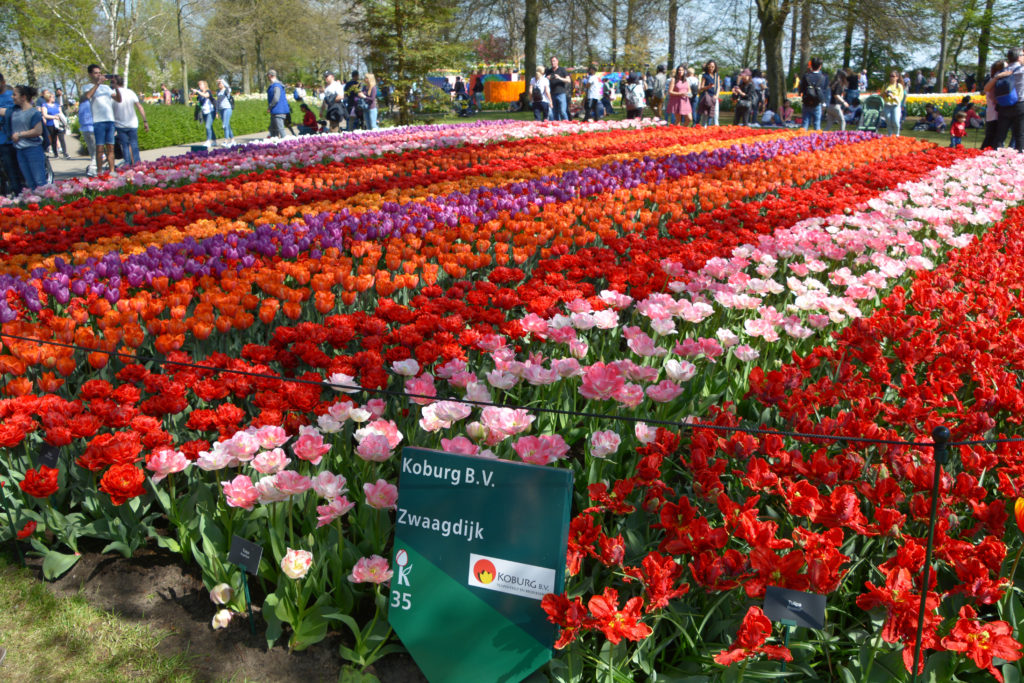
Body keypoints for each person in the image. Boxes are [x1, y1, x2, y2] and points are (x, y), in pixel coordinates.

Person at [81, 64, 121, 175]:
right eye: (96, 73)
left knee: (111, 147)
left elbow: (118, 99)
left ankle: (112, 170)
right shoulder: (87, 87)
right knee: (99, 148)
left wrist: (117, 87)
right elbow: (88, 96)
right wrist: (98, 84)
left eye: (100, 72)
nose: (98, 74)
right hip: (98, 121)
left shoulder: (106, 88)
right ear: (90, 74)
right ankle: (99, 171)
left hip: (110, 120)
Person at [5, 85, 47, 190]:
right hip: (20, 150)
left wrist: (19, 134)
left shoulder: (33, 113)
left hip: (33, 150)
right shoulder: (14, 112)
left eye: (14, 95)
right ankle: (35, 205)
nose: (12, 97)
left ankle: (47, 204)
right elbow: (3, 112)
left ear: (23, 97)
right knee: (30, 182)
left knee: (40, 182)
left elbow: (38, 131)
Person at [989, 48, 1024, 152]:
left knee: (1000, 134)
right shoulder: (1022, 70)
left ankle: (996, 156)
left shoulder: (1001, 72)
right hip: (1020, 104)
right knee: (1020, 134)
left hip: (1003, 104)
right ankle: (1020, 159)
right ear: (1019, 57)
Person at [112, 76, 147, 166]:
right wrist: (145, 121)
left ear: (114, 83)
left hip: (120, 124)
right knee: (134, 144)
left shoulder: (112, 94)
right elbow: (139, 106)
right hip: (132, 123)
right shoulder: (130, 92)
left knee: (125, 145)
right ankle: (137, 164)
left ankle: (127, 164)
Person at [0, 73, 24, 195]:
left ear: (3, 82)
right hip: (2, 141)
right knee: (9, 170)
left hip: (17, 138)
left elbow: (20, 112)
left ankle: (27, 195)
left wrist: (5, 112)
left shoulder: (12, 96)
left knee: (21, 169)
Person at [981, 60, 1007, 149]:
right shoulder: (995, 81)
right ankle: (984, 151)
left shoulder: (992, 80)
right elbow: (993, 97)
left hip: (992, 111)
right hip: (995, 111)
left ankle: (986, 151)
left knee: (991, 134)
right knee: (992, 135)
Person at [798, 58, 828, 131]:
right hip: (817, 101)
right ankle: (816, 139)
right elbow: (824, 90)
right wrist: (824, 102)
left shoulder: (806, 76)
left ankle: (802, 138)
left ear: (811, 65)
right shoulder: (823, 77)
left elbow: (801, 88)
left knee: (805, 122)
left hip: (806, 101)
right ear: (820, 66)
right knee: (817, 123)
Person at [41, 90, 69, 158]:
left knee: (62, 138)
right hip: (50, 124)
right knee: (53, 139)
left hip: (59, 124)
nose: (54, 98)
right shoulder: (45, 105)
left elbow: (61, 113)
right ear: (49, 98)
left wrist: (64, 120)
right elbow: (45, 115)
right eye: (52, 97)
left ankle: (65, 153)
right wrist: (54, 117)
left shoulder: (57, 105)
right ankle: (55, 153)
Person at [192, 80, 217, 148]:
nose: (199, 86)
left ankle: (208, 141)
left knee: (207, 126)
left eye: (201, 85)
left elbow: (206, 96)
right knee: (210, 127)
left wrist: (198, 92)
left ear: (205, 85)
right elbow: (199, 102)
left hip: (211, 112)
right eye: (199, 85)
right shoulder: (200, 94)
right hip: (204, 112)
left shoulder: (208, 91)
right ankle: (214, 141)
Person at [77, 95, 97, 176]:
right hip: (92, 127)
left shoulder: (81, 105)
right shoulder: (91, 103)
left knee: (91, 150)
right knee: (96, 149)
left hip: (84, 128)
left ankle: (93, 165)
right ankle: (93, 167)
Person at [546, 57, 571, 121]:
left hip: (561, 93)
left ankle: (567, 124)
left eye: (554, 61)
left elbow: (568, 80)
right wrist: (547, 78)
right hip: (552, 93)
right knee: (555, 113)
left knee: (562, 111)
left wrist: (559, 78)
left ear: (557, 61)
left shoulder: (562, 70)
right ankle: (557, 126)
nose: (552, 63)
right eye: (551, 61)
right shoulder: (549, 71)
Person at [266, 69, 290, 138]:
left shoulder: (276, 85)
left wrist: (270, 107)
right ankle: (275, 145)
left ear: (270, 76)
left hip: (278, 110)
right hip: (275, 111)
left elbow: (276, 98)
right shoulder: (276, 85)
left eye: (268, 76)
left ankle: (287, 145)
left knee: (280, 130)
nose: (267, 77)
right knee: (273, 130)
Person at [881, 70, 904, 136]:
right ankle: (890, 134)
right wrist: (885, 93)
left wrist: (893, 96)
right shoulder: (886, 85)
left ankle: (897, 134)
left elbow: (901, 96)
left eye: (893, 76)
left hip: (895, 105)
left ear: (897, 77)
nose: (891, 78)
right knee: (888, 120)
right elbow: (881, 95)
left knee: (895, 121)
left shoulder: (899, 86)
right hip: (887, 105)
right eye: (890, 76)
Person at [696, 60, 720, 125]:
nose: (711, 68)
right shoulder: (705, 75)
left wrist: (717, 95)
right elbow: (701, 87)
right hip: (707, 97)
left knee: (715, 114)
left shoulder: (716, 75)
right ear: (707, 66)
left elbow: (718, 87)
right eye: (710, 66)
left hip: (714, 97)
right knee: (705, 114)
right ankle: (704, 128)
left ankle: (714, 127)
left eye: (713, 67)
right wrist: (708, 86)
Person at [216, 77, 234, 145]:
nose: (219, 84)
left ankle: (226, 140)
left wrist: (222, 80)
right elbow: (217, 102)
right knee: (227, 125)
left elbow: (228, 86)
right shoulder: (218, 92)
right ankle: (232, 139)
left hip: (227, 108)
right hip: (221, 109)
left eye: (220, 83)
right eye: (218, 83)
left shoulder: (227, 90)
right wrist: (216, 111)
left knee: (225, 124)